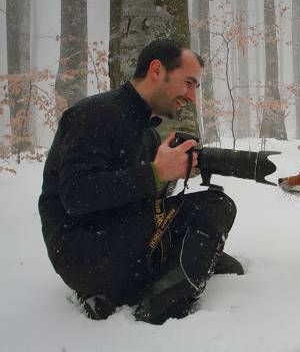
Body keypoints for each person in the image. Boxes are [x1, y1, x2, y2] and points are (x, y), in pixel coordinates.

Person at [38, 39, 244, 325]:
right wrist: (155, 173)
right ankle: (159, 307)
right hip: (84, 253)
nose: (192, 96)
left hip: (119, 238)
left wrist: (171, 174)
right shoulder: (94, 114)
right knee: (216, 206)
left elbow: (139, 200)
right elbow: (76, 196)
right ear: (157, 70)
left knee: (210, 235)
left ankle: (147, 278)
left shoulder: (147, 133)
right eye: (188, 82)